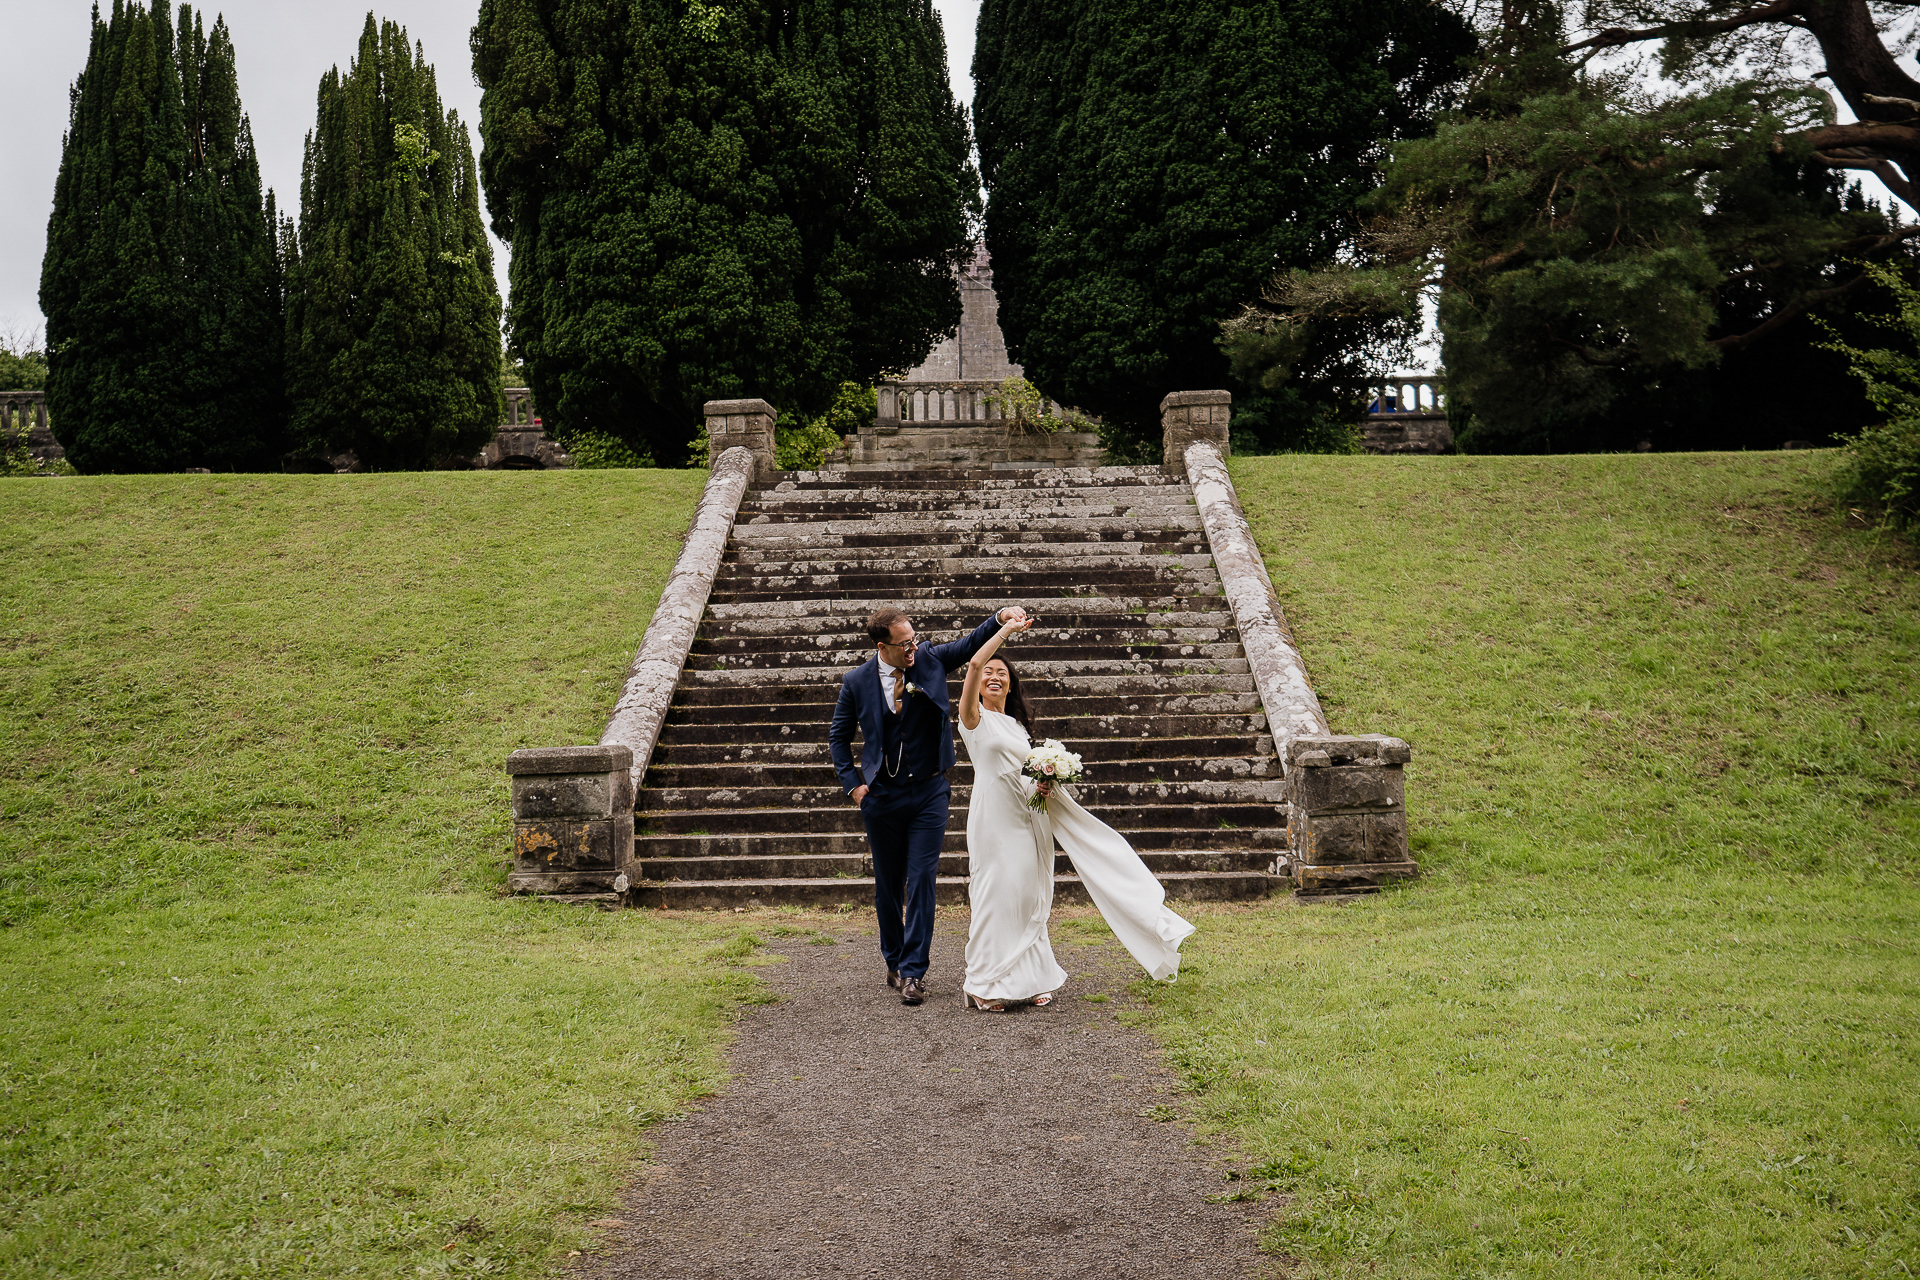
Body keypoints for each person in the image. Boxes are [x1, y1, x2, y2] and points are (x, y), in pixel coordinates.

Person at [955, 616, 1196, 1012]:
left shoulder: (1018, 727)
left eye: (1003, 673)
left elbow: (1025, 777)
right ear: (980, 684)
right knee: (997, 894)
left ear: (1011, 685)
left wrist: (1045, 782)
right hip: (993, 821)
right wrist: (1004, 633)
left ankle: (1030, 979)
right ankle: (983, 982)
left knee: (1029, 894)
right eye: (990, 673)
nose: (994, 676)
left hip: (1027, 819)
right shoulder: (973, 720)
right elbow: (976, 664)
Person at [829, 603, 1030, 1006]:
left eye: (914, 639)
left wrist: (1000, 618)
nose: (912, 649)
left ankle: (913, 972)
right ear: (882, 646)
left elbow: (972, 645)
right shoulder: (856, 681)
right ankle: (894, 958)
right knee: (888, 885)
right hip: (881, 796)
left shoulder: (931, 659)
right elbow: (838, 737)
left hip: (929, 792)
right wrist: (855, 786)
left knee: (921, 879)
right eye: (904, 644)